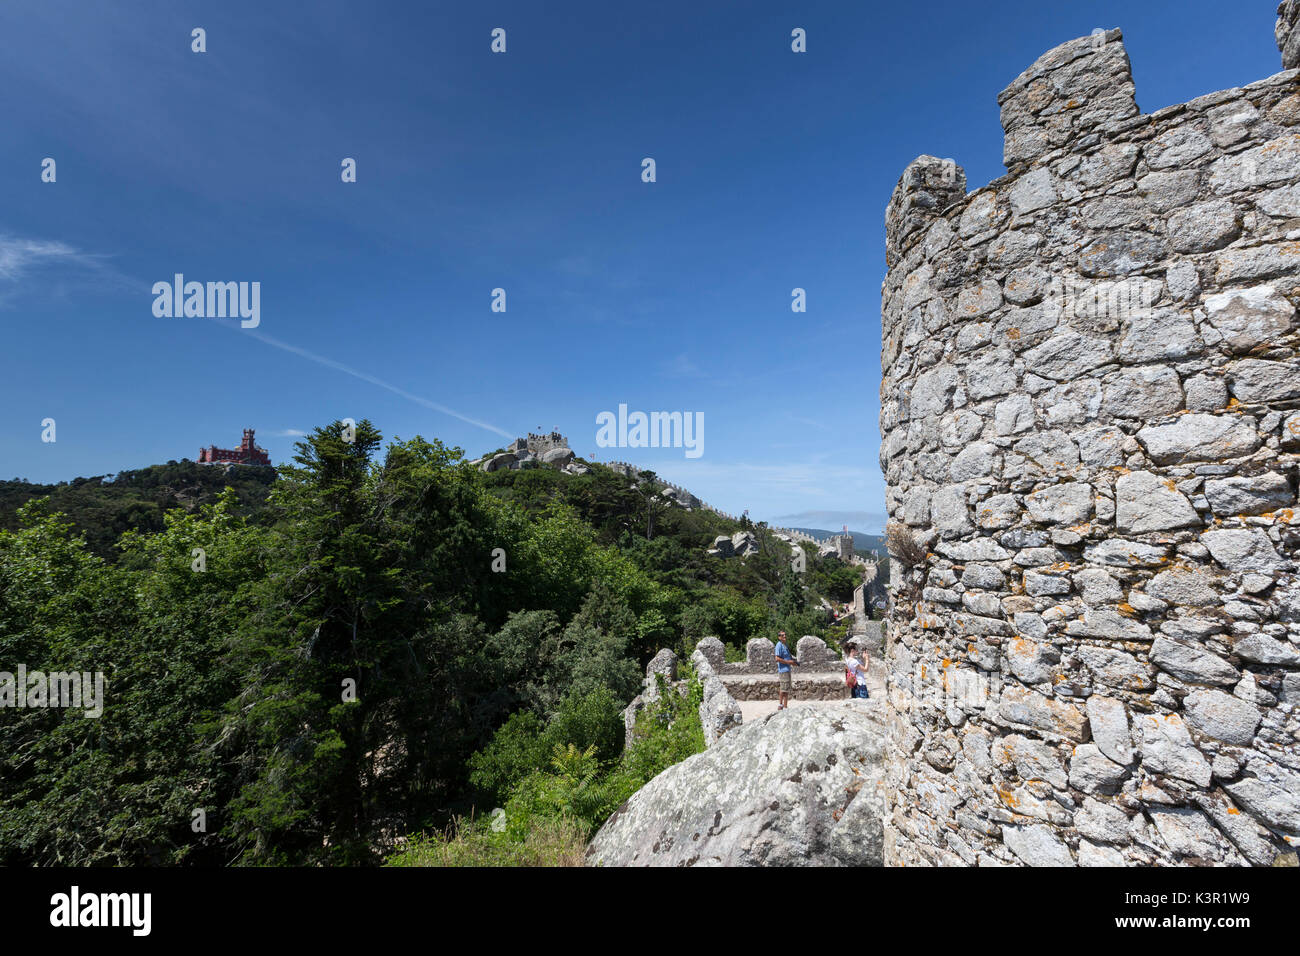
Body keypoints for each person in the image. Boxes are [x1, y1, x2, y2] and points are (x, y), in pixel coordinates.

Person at [774, 630, 798, 709]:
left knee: (786, 688)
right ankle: (780, 705)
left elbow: (788, 657)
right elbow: (777, 658)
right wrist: (788, 662)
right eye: (782, 635)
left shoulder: (785, 645)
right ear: (779, 637)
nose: (784, 636)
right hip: (783, 670)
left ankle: (785, 705)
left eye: (785, 635)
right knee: (783, 688)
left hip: (787, 669)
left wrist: (793, 662)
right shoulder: (779, 645)